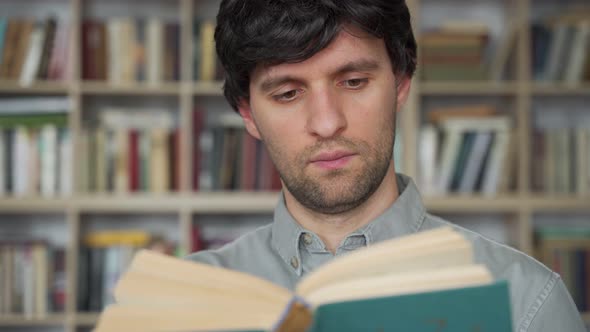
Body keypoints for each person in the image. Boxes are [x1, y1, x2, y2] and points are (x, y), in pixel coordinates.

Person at [186, 0, 585, 330]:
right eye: (289, 93)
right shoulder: (178, 304)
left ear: (400, 85)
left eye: (354, 82)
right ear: (249, 115)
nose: (327, 123)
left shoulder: (527, 299)